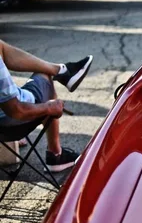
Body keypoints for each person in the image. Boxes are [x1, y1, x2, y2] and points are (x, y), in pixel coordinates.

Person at [0, 39, 93, 172]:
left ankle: (62, 71)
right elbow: (16, 110)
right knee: (43, 74)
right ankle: (55, 154)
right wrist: (49, 107)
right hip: (10, 122)